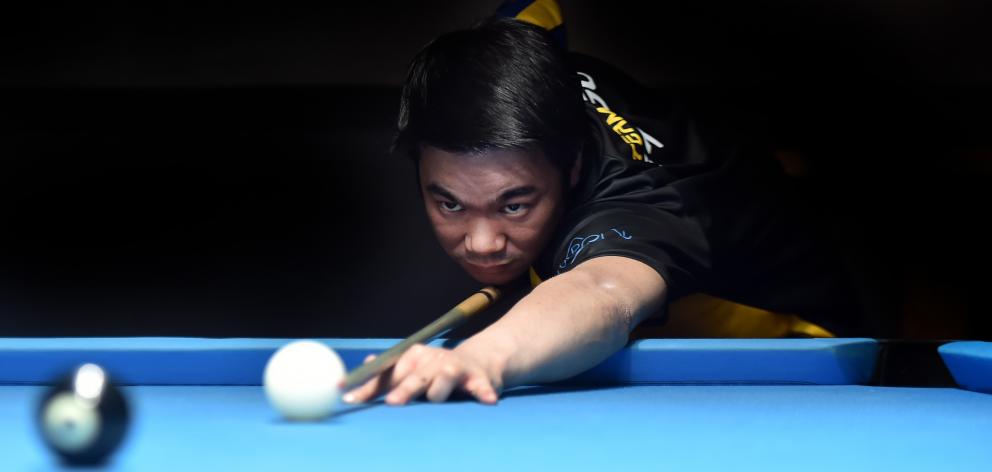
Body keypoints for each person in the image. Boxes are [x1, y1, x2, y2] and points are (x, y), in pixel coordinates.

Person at [343, 0, 865, 406]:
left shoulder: (633, 205)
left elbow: (604, 291)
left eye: (514, 206)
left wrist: (481, 357)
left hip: (797, 352)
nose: (483, 244)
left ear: (571, 168)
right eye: (451, 204)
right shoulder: (527, 52)